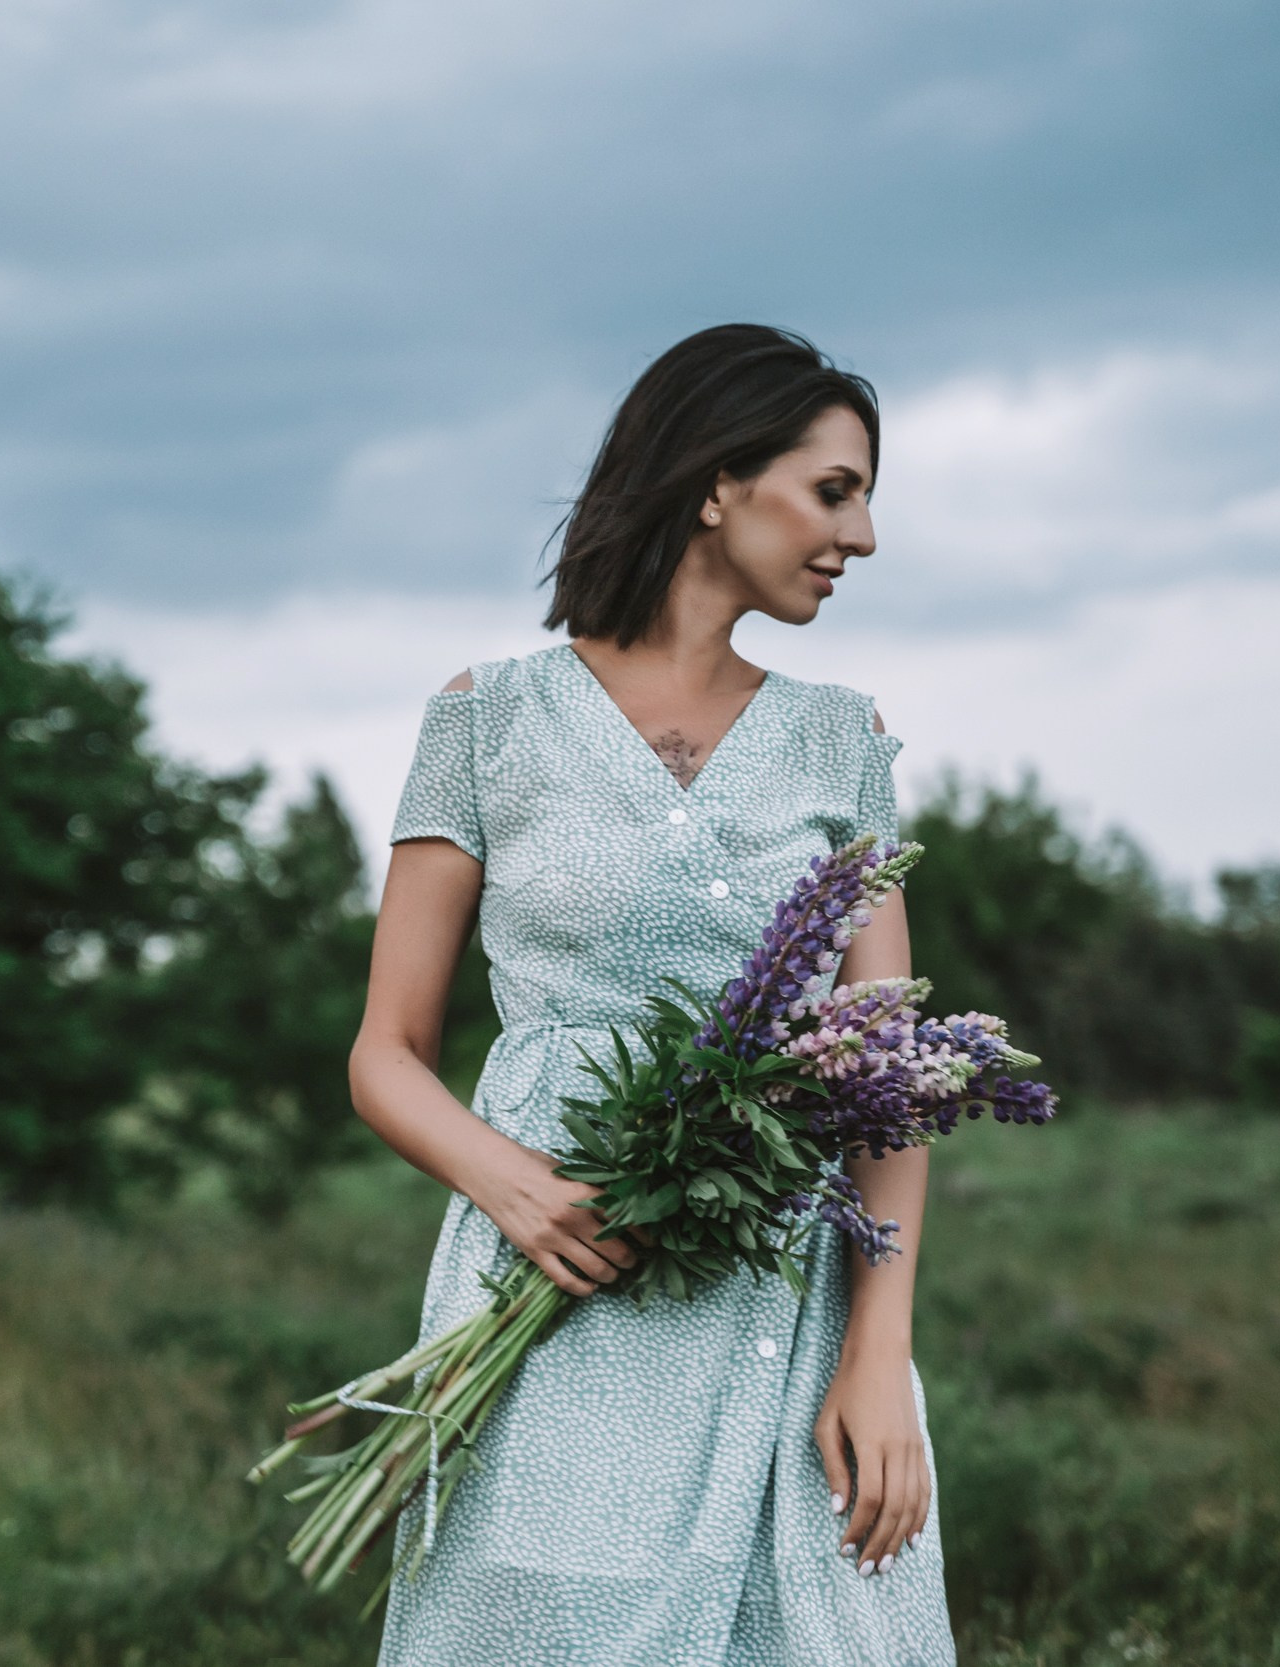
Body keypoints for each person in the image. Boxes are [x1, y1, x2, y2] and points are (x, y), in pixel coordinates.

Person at [350, 323, 951, 1666]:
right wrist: (520, 1192)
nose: (860, 537)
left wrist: (879, 1353)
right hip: (553, 1288)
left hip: (780, 1299)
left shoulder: (841, 740)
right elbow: (386, 1051)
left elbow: (888, 1075)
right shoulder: (487, 718)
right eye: (834, 492)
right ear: (718, 481)